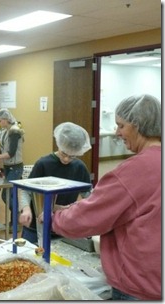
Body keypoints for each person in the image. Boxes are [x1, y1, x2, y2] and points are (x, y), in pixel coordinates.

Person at [50, 94, 161, 300]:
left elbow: (90, 215)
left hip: (139, 285)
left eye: (121, 125)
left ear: (138, 125)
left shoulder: (135, 170)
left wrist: (54, 220)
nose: (117, 132)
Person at [19, 122, 91, 244]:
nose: (67, 159)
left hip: (63, 228)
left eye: (72, 156)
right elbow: (26, 190)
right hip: (35, 227)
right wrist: (26, 209)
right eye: (64, 153)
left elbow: (88, 197)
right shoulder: (43, 164)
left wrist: (74, 210)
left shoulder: (80, 168)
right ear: (59, 144)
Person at [0, 108, 24, 226]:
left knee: (9, 195)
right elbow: (4, 148)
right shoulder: (5, 131)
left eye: (0, 121)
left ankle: (15, 221)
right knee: (6, 195)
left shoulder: (15, 132)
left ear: (6, 119)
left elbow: (11, 153)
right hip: (8, 167)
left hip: (15, 167)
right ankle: (16, 219)